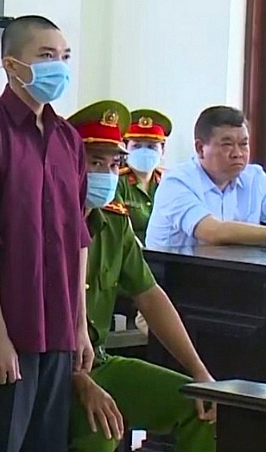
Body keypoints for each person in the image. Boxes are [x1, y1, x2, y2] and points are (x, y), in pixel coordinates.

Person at [0, 15, 94, 452]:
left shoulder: (68, 140)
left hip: (58, 331)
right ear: (11, 65)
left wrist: (79, 326)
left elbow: (78, 240)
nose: (58, 66)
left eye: (64, 56)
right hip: (9, 333)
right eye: (46, 56)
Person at [66, 100, 216, 452]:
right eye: (95, 162)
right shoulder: (44, 225)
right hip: (49, 371)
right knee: (101, 431)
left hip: (98, 360)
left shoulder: (114, 224)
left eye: (112, 164)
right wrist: (77, 378)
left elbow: (150, 296)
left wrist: (199, 372)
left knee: (201, 406)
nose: (106, 174)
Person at [146, 105, 266, 247]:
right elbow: (213, 233)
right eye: (227, 145)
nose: (238, 153)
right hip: (172, 261)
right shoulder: (175, 182)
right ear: (200, 148)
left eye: (243, 144)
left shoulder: (255, 178)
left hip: (233, 261)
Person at [116, 109, 171, 243]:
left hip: (166, 251)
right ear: (125, 149)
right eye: (137, 146)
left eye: (152, 147)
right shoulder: (117, 182)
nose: (144, 151)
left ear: (163, 151)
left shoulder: (169, 182)